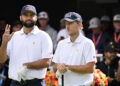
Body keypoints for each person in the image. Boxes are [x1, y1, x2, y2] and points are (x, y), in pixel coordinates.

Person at [0, 5, 53, 86]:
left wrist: (26, 65)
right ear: (21, 17)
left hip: (36, 83)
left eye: (31, 15)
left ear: (36, 17)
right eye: (25, 15)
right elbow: (2, 59)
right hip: (15, 83)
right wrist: (4, 43)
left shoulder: (44, 36)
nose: (28, 18)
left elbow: (47, 62)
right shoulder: (14, 36)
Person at [52, 12, 96, 86]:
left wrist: (68, 67)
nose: (67, 26)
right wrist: (59, 66)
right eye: (66, 23)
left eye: (70, 23)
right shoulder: (61, 44)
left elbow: (90, 68)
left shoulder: (87, 43)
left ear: (80, 25)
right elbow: (54, 67)